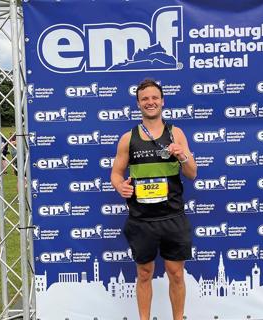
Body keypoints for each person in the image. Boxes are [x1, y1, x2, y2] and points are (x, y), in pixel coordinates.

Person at [111, 79, 197, 320]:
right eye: (145, 99)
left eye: (154, 98)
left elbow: (192, 173)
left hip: (173, 216)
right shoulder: (128, 138)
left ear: (162, 102)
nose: (150, 102)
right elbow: (116, 173)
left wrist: (182, 156)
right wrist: (120, 187)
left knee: (176, 273)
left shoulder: (176, 133)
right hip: (142, 219)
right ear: (138, 104)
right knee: (145, 273)